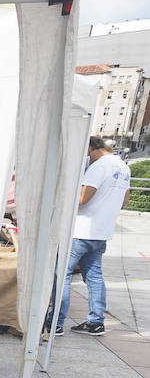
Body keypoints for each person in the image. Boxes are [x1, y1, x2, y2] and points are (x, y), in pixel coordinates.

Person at [53, 137, 132, 336]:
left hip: (81, 230)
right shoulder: (123, 167)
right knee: (94, 277)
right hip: (101, 231)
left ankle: (56, 322)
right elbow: (125, 199)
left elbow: (82, 199)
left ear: (90, 147)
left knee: (62, 275)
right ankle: (96, 322)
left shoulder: (98, 167)